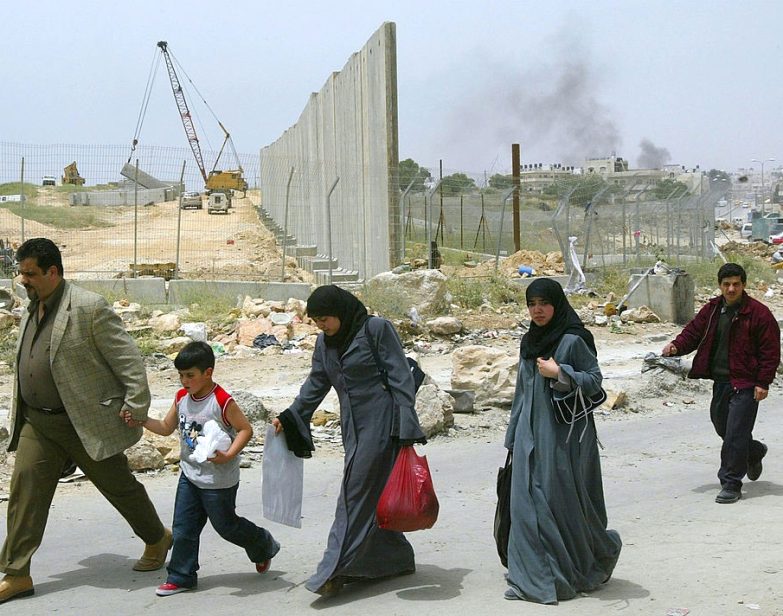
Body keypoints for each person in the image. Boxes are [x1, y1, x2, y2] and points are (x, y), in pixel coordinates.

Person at [0, 237, 171, 605]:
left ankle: (157, 537)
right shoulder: (34, 306)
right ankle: (16, 574)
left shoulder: (88, 307)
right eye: (21, 273)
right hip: (38, 422)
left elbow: (128, 360)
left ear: (53, 272)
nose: (23, 280)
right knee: (25, 491)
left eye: (30, 273)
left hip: (84, 421)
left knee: (119, 486)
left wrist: (136, 407)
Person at [272, 285, 426, 597]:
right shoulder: (325, 343)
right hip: (353, 431)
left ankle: (333, 569)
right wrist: (291, 415)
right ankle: (393, 559)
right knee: (372, 496)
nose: (322, 326)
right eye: (316, 321)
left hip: (384, 425)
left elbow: (400, 377)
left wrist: (406, 425)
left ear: (341, 312)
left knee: (354, 496)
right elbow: (317, 382)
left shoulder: (376, 330)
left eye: (325, 319)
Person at [123, 341, 280, 596]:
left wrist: (229, 454)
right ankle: (181, 576)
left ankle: (263, 544)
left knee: (226, 526)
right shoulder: (181, 398)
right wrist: (140, 421)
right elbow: (165, 427)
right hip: (189, 475)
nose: (185, 381)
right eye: (181, 375)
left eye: (190, 375)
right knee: (184, 528)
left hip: (218, 481)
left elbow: (245, 429)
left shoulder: (222, 401)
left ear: (208, 372)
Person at [504, 278, 621, 604]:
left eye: (543, 302)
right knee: (525, 506)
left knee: (559, 505)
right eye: (531, 304)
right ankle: (532, 578)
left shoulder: (572, 340)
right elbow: (520, 393)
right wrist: (512, 436)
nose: (537, 310)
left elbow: (596, 382)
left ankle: (572, 568)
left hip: (564, 438)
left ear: (557, 303)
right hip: (529, 436)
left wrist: (561, 373)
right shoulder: (529, 341)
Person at [662, 262, 779, 504]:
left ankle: (731, 482)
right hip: (722, 381)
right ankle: (754, 451)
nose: (731, 289)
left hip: (746, 383)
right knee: (722, 426)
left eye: (736, 284)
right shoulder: (713, 310)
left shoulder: (759, 314)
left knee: (735, 434)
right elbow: (693, 332)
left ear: (744, 285)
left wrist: (763, 382)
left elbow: (770, 352)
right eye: (726, 284)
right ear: (720, 286)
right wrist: (676, 346)